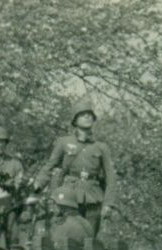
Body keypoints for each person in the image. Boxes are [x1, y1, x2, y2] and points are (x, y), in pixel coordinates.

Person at [34, 97, 118, 235]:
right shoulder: (63, 142)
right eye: (83, 114)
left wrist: (108, 203)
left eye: (90, 114)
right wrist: (37, 186)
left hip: (93, 197)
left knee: (89, 237)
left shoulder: (101, 147)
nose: (87, 116)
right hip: (68, 195)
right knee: (65, 233)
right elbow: (50, 166)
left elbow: (111, 178)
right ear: (75, 119)